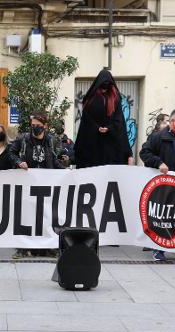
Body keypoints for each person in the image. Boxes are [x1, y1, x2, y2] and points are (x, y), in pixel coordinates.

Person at [139, 108, 175, 262]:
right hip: (166, 184)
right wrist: (159, 163)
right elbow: (144, 153)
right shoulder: (159, 137)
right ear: (172, 122)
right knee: (164, 217)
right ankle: (159, 249)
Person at [9, 113, 65, 259]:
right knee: (26, 215)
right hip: (28, 184)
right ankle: (22, 247)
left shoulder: (50, 141)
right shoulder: (23, 139)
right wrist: (18, 162)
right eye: (33, 125)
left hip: (46, 185)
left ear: (45, 126)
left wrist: (66, 172)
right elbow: (11, 153)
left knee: (47, 215)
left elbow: (53, 161)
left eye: (38, 126)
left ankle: (49, 247)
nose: (35, 128)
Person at [74, 69, 133, 168]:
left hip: (111, 149)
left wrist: (109, 128)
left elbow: (120, 123)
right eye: (103, 83)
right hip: (93, 147)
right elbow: (86, 122)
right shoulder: (91, 99)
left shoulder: (115, 98)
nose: (105, 85)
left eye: (107, 83)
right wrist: (96, 128)